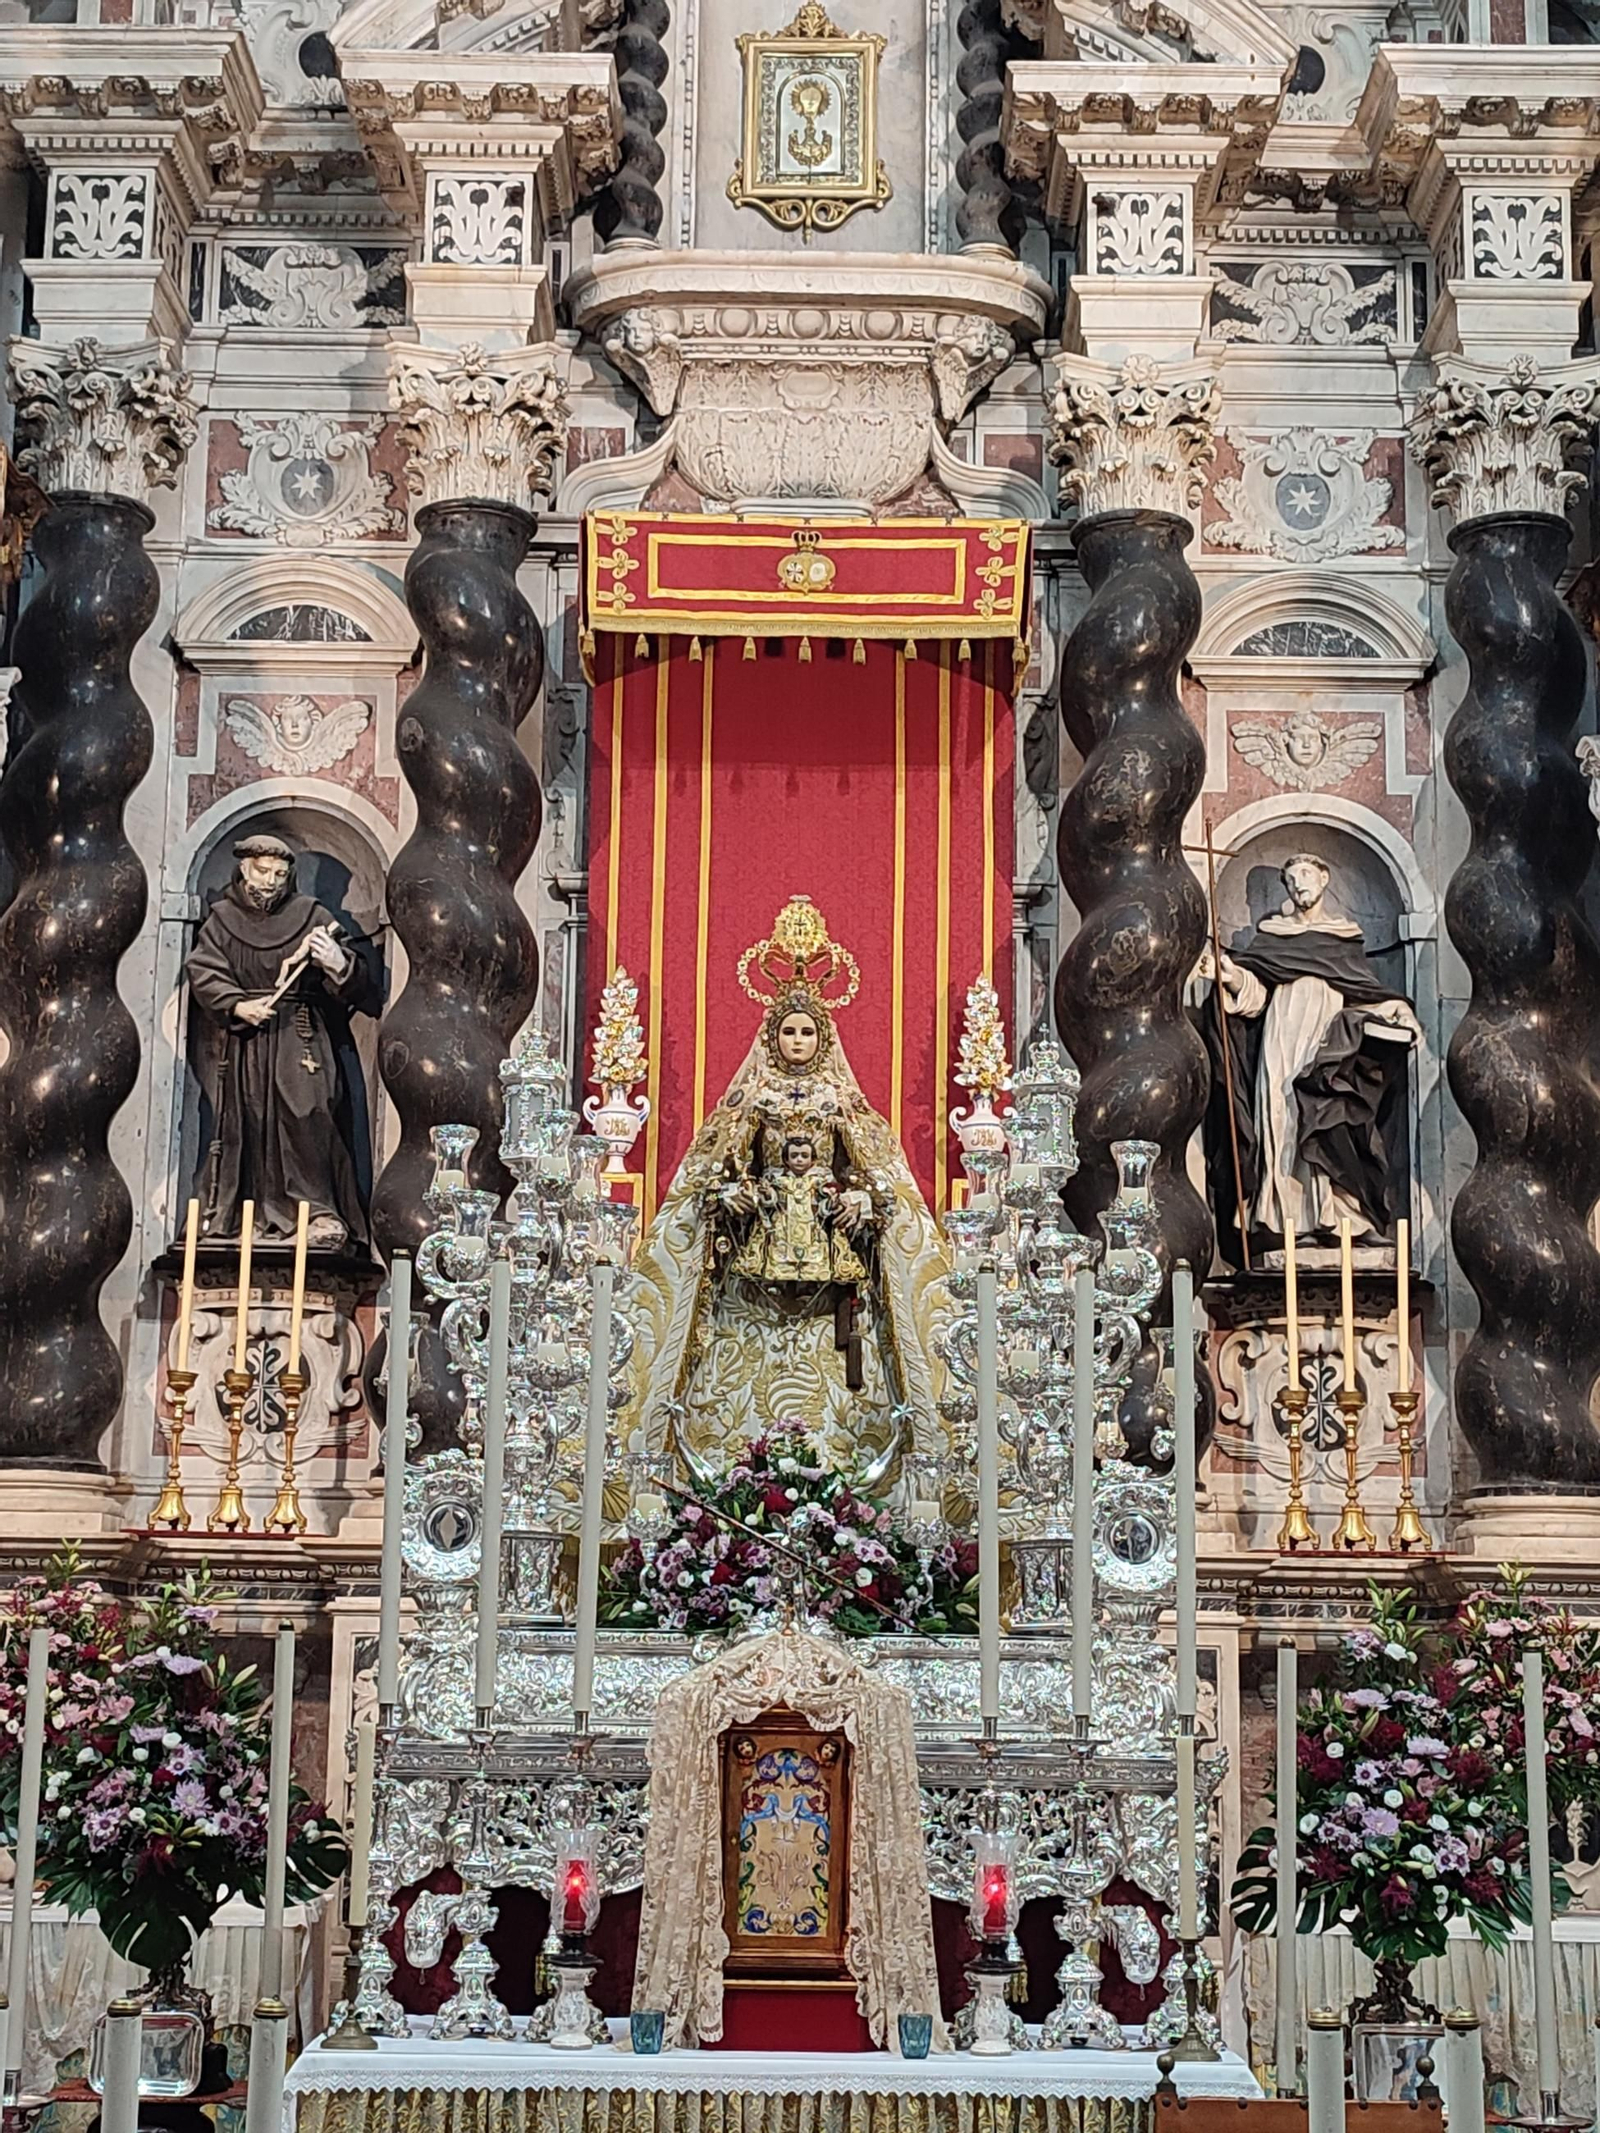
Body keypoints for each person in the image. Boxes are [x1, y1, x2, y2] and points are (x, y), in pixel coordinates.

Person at [627, 895, 949, 1483]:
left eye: (806, 1032)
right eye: (788, 1032)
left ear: (822, 1038)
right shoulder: (751, 1100)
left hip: (829, 1260)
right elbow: (715, 1172)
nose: (797, 1041)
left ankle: (848, 1472)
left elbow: (881, 1178)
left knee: (844, 1374)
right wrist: (729, 1197)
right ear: (772, 1037)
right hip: (759, 1258)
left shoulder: (842, 1103)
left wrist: (864, 1201)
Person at [1198, 852, 1419, 1254]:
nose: (1298, 884)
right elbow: (1255, 999)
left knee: (1329, 1116)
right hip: (1281, 1037)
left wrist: (1396, 1009)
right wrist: (1232, 977)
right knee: (1281, 1120)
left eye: (1305, 874)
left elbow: (1361, 992)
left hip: (1329, 1040)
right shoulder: (1272, 938)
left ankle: (1341, 1216)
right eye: (1290, 879)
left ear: (1324, 878)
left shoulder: (1343, 937)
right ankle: (1287, 1220)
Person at [185, 832, 376, 1249]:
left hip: (302, 1033)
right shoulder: (221, 919)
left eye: (279, 874)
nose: (271, 882)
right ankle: (247, 1215)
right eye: (263, 872)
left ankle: (317, 1212)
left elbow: (360, 982)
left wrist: (336, 962)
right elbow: (204, 970)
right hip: (247, 1042)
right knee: (249, 1121)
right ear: (244, 870)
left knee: (309, 1113)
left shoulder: (312, 915)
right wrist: (237, 1004)